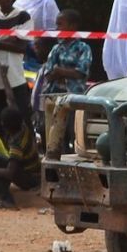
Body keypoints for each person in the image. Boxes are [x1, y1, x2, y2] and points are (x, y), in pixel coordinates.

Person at [37, 9, 93, 156]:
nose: (57, 29)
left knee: (73, 133)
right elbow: (49, 74)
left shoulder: (84, 48)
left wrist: (60, 71)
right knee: (51, 135)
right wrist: (67, 72)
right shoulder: (56, 48)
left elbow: (81, 73)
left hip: (74, 98)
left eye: (60, 24)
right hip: (54, 97)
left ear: (72, 26)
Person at [0, 106, 40, 210]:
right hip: (29, 172)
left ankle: (6, 200)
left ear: (4, 125)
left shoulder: (17, 142)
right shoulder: (23, 127)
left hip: (30, 178)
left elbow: (9, 173)